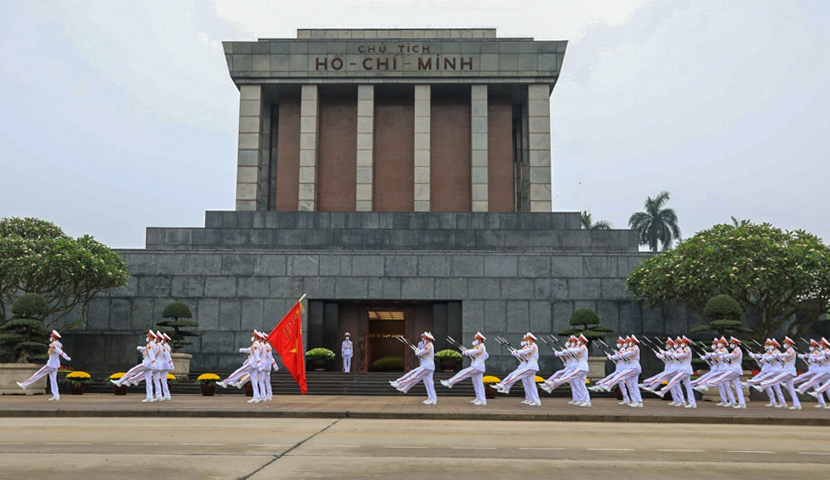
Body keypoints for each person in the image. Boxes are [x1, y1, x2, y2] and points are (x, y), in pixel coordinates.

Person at [17, 330, 71, 401]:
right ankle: (56, 395)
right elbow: (58, 350)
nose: (50, 337)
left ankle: (25, 384)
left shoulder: (53, 344)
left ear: (53, 337)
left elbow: (58, 351)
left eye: (51, 336)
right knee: (53, 380)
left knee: (37, 374)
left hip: (51, 365)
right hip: (55, 365)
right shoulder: (59, 344)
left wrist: (65, 356)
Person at [492, 333, 541, 406]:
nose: (527, 341)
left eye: (527, 339)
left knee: (517, 374)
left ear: (530, 339)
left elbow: (525, 351)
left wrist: (518, 352)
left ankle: (505, 385)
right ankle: (536, 401)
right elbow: (525, 355)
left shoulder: (533, 345)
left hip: (531, 366)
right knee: (531, 384)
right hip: (531, 366)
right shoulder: (532, 346)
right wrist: (517, 353)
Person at [440, 332, 488, 405]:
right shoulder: (482, 347)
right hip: (479, 366)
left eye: (475, 339)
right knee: (478, 384)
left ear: (480, 340)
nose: (474, 340)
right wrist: (472, 355)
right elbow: (486, 356)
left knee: (463, 373)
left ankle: (450, 382)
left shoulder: (480, 346)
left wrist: (467, 352)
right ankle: (481, 399)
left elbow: (474, 351)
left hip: (477, 366)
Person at [111, 331, 159, 402]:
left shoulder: (149, 345)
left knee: (132, 371)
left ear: (150, 337)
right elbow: (149, 351)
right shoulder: (154, 345)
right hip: (150, 365)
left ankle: (120, 382)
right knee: (148, 381)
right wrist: (141, 349)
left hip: (146, 364)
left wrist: (154, 362)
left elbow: (151, 354)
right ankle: (150, 397)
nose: (147, 338)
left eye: (147, 336)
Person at [390, 332, 437, 404]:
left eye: (424, 338)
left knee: (414, 376)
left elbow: (420, 353)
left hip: (427, 366)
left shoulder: (429, 346)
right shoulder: (428, 345)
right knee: (428, 383)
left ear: (427, 339)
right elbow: (421, 354)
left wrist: (417, 351)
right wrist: (418, 351)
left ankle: (401, 383)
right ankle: (432, 399)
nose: (423, 339)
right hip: (428, 366)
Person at [758, 337, 801, 410]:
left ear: (789, 344)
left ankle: (763, 385)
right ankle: (797, 404)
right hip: (787, 370)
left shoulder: (790, 350)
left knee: (776, 379)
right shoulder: (788, 351)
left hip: (789, 371)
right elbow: (783, 358)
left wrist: (776, 355)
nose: (784, 344)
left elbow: (783, 355)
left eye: (785, 343)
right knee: (791, 389)